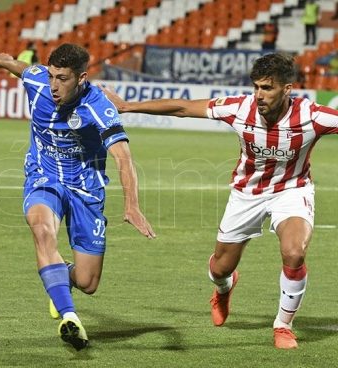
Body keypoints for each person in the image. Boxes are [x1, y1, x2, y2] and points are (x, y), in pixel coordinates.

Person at [100, 53, 338, 350]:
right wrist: (126, 106)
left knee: (294, 253)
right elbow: (183, 108)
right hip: (245, 194)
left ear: (287, 89)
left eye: (267, 88)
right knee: (219, 269)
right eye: (256, 87)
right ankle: (224, 289)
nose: (259, 95)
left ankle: (283, 326)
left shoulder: (313, 116)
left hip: (292, 191)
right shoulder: (240, 108)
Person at [0, 43, 155, 351]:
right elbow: (22, 69)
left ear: (81, 78)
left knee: (88, 283)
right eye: (51, 75)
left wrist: (132, 205)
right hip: (43, 177)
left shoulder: (98, 105)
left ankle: (61, 276)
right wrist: (3, 61)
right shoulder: (38, 81)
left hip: (86, 190)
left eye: (62, 78)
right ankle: (69, 316)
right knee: (42, 230)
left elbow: (123, 157)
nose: (53, 85)